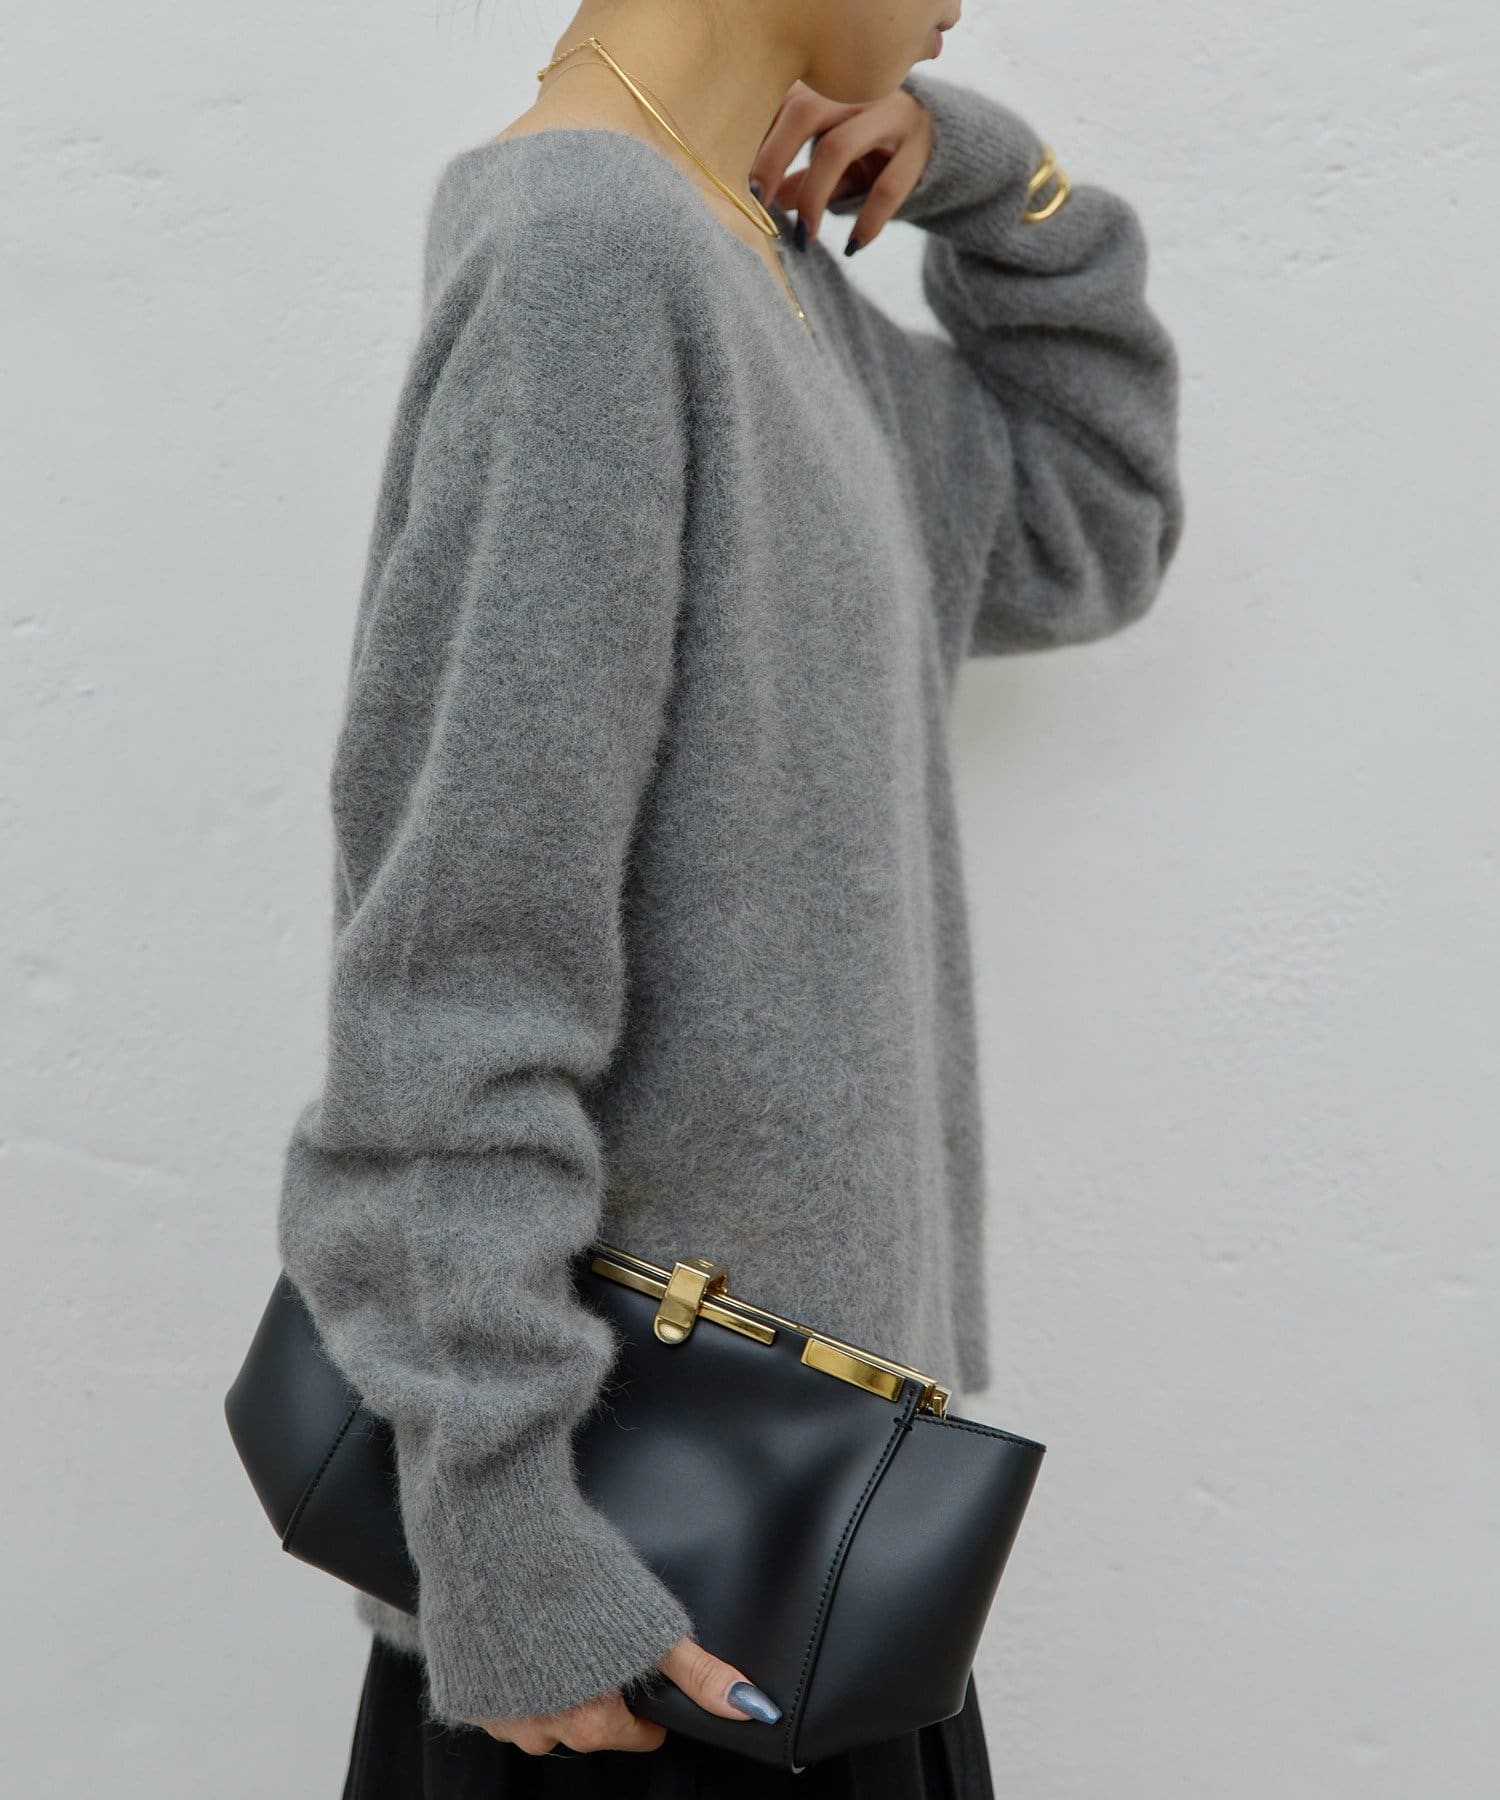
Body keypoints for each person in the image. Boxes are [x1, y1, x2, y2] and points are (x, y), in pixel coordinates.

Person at [274, 1, 1184, 1793]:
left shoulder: (757, 274)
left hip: (804, 1531)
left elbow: (1091, 521)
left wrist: (991, 179)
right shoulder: (588, 255)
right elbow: (455, 963)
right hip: (617, 1602)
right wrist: (502, 1530)